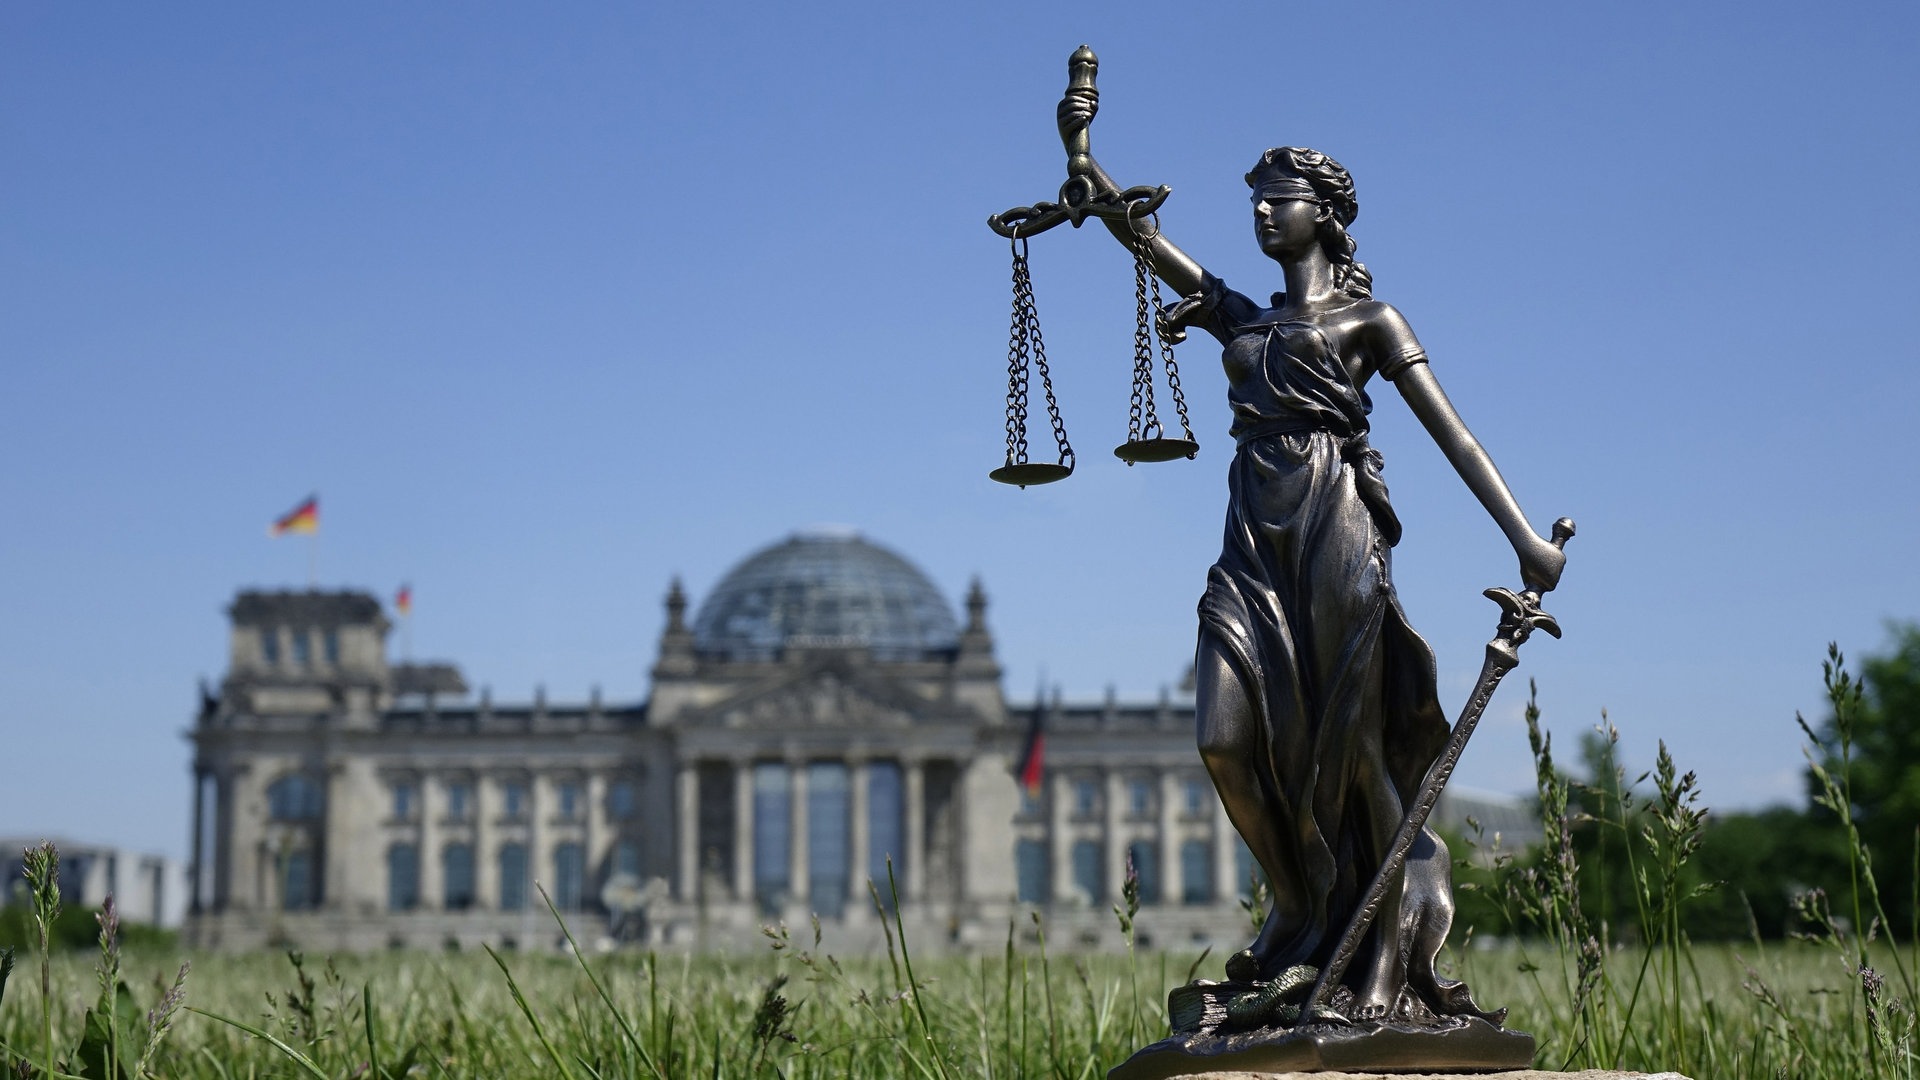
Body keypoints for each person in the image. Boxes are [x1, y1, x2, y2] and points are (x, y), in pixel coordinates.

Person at [1059, 99, 1565, 1021]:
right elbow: (1154, 245)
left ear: (1324, 214)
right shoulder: (1244, 319)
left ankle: (1377, 960)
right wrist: (1092, 176)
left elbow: (1450, 434)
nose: (1260, 212)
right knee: (1222, 737)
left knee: (1356, 751)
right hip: (1252, 536)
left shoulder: (1371, 319)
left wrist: (1523, 536)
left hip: (1335, 525)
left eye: (1277, 199)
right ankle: (1300, 908)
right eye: (1254, 199)